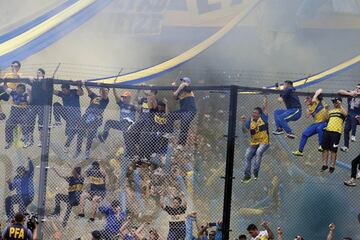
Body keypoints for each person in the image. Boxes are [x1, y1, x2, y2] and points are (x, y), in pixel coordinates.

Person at [240, 95, 270, 183]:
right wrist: (243, 122)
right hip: (254, 143)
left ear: (260, 114)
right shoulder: (250, 120)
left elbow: (265, 107)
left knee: (259, 152)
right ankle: (247, 176)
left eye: (256, 113)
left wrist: (265, 98)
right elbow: (245, 131)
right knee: (247, 156)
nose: (253, 114)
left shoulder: (263, 118)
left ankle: (255, 172)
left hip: (264, 142)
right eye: (253, 112)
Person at [75, 85, 109, 160]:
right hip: (87, 115)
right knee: (80, 131)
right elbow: (89, 92)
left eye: (107, 91)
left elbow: (104, 94)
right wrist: (85, 84)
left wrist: (102, 86)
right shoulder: (95, 96)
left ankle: (87, 151)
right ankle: (78, 150)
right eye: (104, 90)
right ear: (99, 91)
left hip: (96, 118)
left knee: (90, 134)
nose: (105, 92)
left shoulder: (106, 99)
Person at [292, 89, 328, 156]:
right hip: (316, 123)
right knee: (305, 134)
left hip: (324, 122)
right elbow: (307, 116)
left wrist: (315, 96)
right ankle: (300, 151)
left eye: (308, 98)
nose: (306, 100)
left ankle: (321, 145)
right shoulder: (310, 106)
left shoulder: (317, 100)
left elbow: (320, 90)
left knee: (319, 129)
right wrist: (307, 106)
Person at [26, 68, 53, 148]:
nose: (38, 74)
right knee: (30, 122)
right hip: (33, 104)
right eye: (37, 73)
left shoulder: (46, 81)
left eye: (40, 73)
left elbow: (49, 80)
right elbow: (27, 82)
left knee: (41, 123)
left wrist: (44, 79)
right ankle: (30, 140)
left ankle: (41, 141)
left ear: (43, 74)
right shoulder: (34, 81)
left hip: (42, 105)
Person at [53, 82, 83, 150]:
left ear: (68, 89)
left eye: (64, 90)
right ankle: (58, 122)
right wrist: (51, 82)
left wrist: (78, 85)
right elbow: (53, 91)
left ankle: (66, 145)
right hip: (66, 114)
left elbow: (81, 93)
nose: (63, 92)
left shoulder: (74, 92)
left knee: (71, 131)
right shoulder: (62, 94)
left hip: (75, 116)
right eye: (62, 90)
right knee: (56, 104)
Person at [321, 97, 347, 173]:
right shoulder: (331, 111)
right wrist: (325, 109)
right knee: (325, 149)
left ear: (339, 102)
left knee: (333, 150)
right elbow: (325, 119)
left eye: (336, 102)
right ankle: (325, 165)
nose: (335, 103)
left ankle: (332, 166)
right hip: (328, 131)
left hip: (336, 132)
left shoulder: (342, 111)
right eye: (334, 102)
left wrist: (340, 105)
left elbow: (346, 114)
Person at [172, 77, 197, 150]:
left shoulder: (188, 88)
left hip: (190, 110)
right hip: (183, 111)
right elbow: (174, 96)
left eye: (183, 81)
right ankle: (168, 132)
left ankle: (181, 144)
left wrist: (177, 90)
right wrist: (173, 87)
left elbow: (183, 85)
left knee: (184, 123)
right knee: (171, 115)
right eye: (182, 81)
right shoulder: (180, 91)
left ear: (187, 82)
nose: (182, 82)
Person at [3, 83, 30, 149]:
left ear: (24, 90)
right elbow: (5, 88)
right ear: (16, 88)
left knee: (25, 122)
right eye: (18, 88)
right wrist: (4, 81)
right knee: (8, 125)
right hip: (13, 115)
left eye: (21, 89)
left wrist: (19, 103)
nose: (19, 90)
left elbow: (26, 103)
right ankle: (9, 142)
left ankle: (25, 137)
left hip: (23, 114)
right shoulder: (13, 92)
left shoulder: (26, 95)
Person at [338, 84, 360, 152]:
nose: (357, 89)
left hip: (358, 116)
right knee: (346, 129)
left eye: (359, 88)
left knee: (354, 116)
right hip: (350, 116)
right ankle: (346, 146)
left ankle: (353, 135)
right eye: (356, 88)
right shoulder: (351, 93)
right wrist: (349, 93)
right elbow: (340, 91)